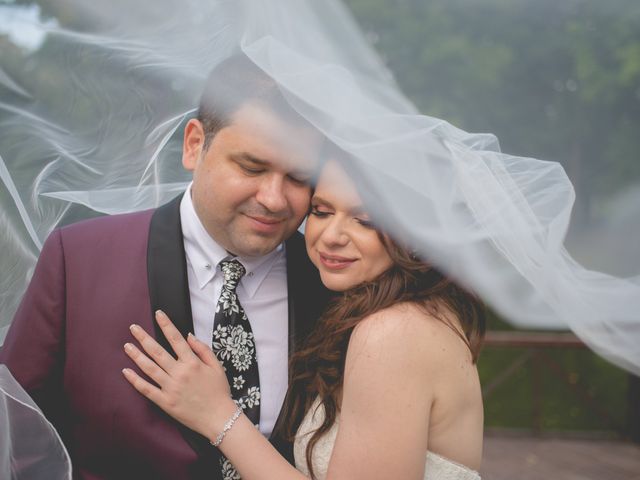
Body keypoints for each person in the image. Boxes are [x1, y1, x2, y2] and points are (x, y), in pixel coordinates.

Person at [0, 55, 332, 480]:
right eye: (252, 166)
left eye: (299, 177)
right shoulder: (79, 259)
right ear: (194, 144)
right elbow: (17, 435)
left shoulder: (335, 283)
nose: (274, 198)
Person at [123, 158, 486, 479]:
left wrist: (219, 416)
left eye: (364, 220)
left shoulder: (393, 333)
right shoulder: (417, 312)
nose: (331, 237)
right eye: (322, 211)